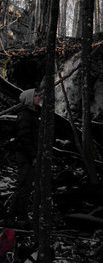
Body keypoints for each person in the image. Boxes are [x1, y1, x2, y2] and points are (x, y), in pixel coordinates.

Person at [8, 88, 40, 226]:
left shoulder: (31, 114)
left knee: (25, 186)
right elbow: (25, 137)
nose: (38, 98)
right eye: (36, 96)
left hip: (26, 154)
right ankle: (18, 217)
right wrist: (33, 156)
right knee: (24, 186)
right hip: (25, 155)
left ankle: (14, 217)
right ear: (29, 99)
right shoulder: (25, 115)